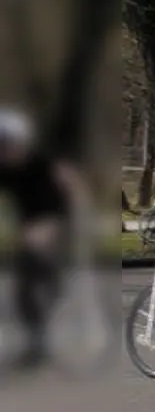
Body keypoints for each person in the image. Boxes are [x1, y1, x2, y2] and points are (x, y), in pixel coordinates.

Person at [0, 107, 92, 369]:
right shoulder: (5, 168)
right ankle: (36, 337)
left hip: (58, 219)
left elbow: (72, 188)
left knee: (38, 250)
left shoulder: (42, 162)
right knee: (24, 286)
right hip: (31, 224)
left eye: (7, 145)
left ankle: (53, 290)